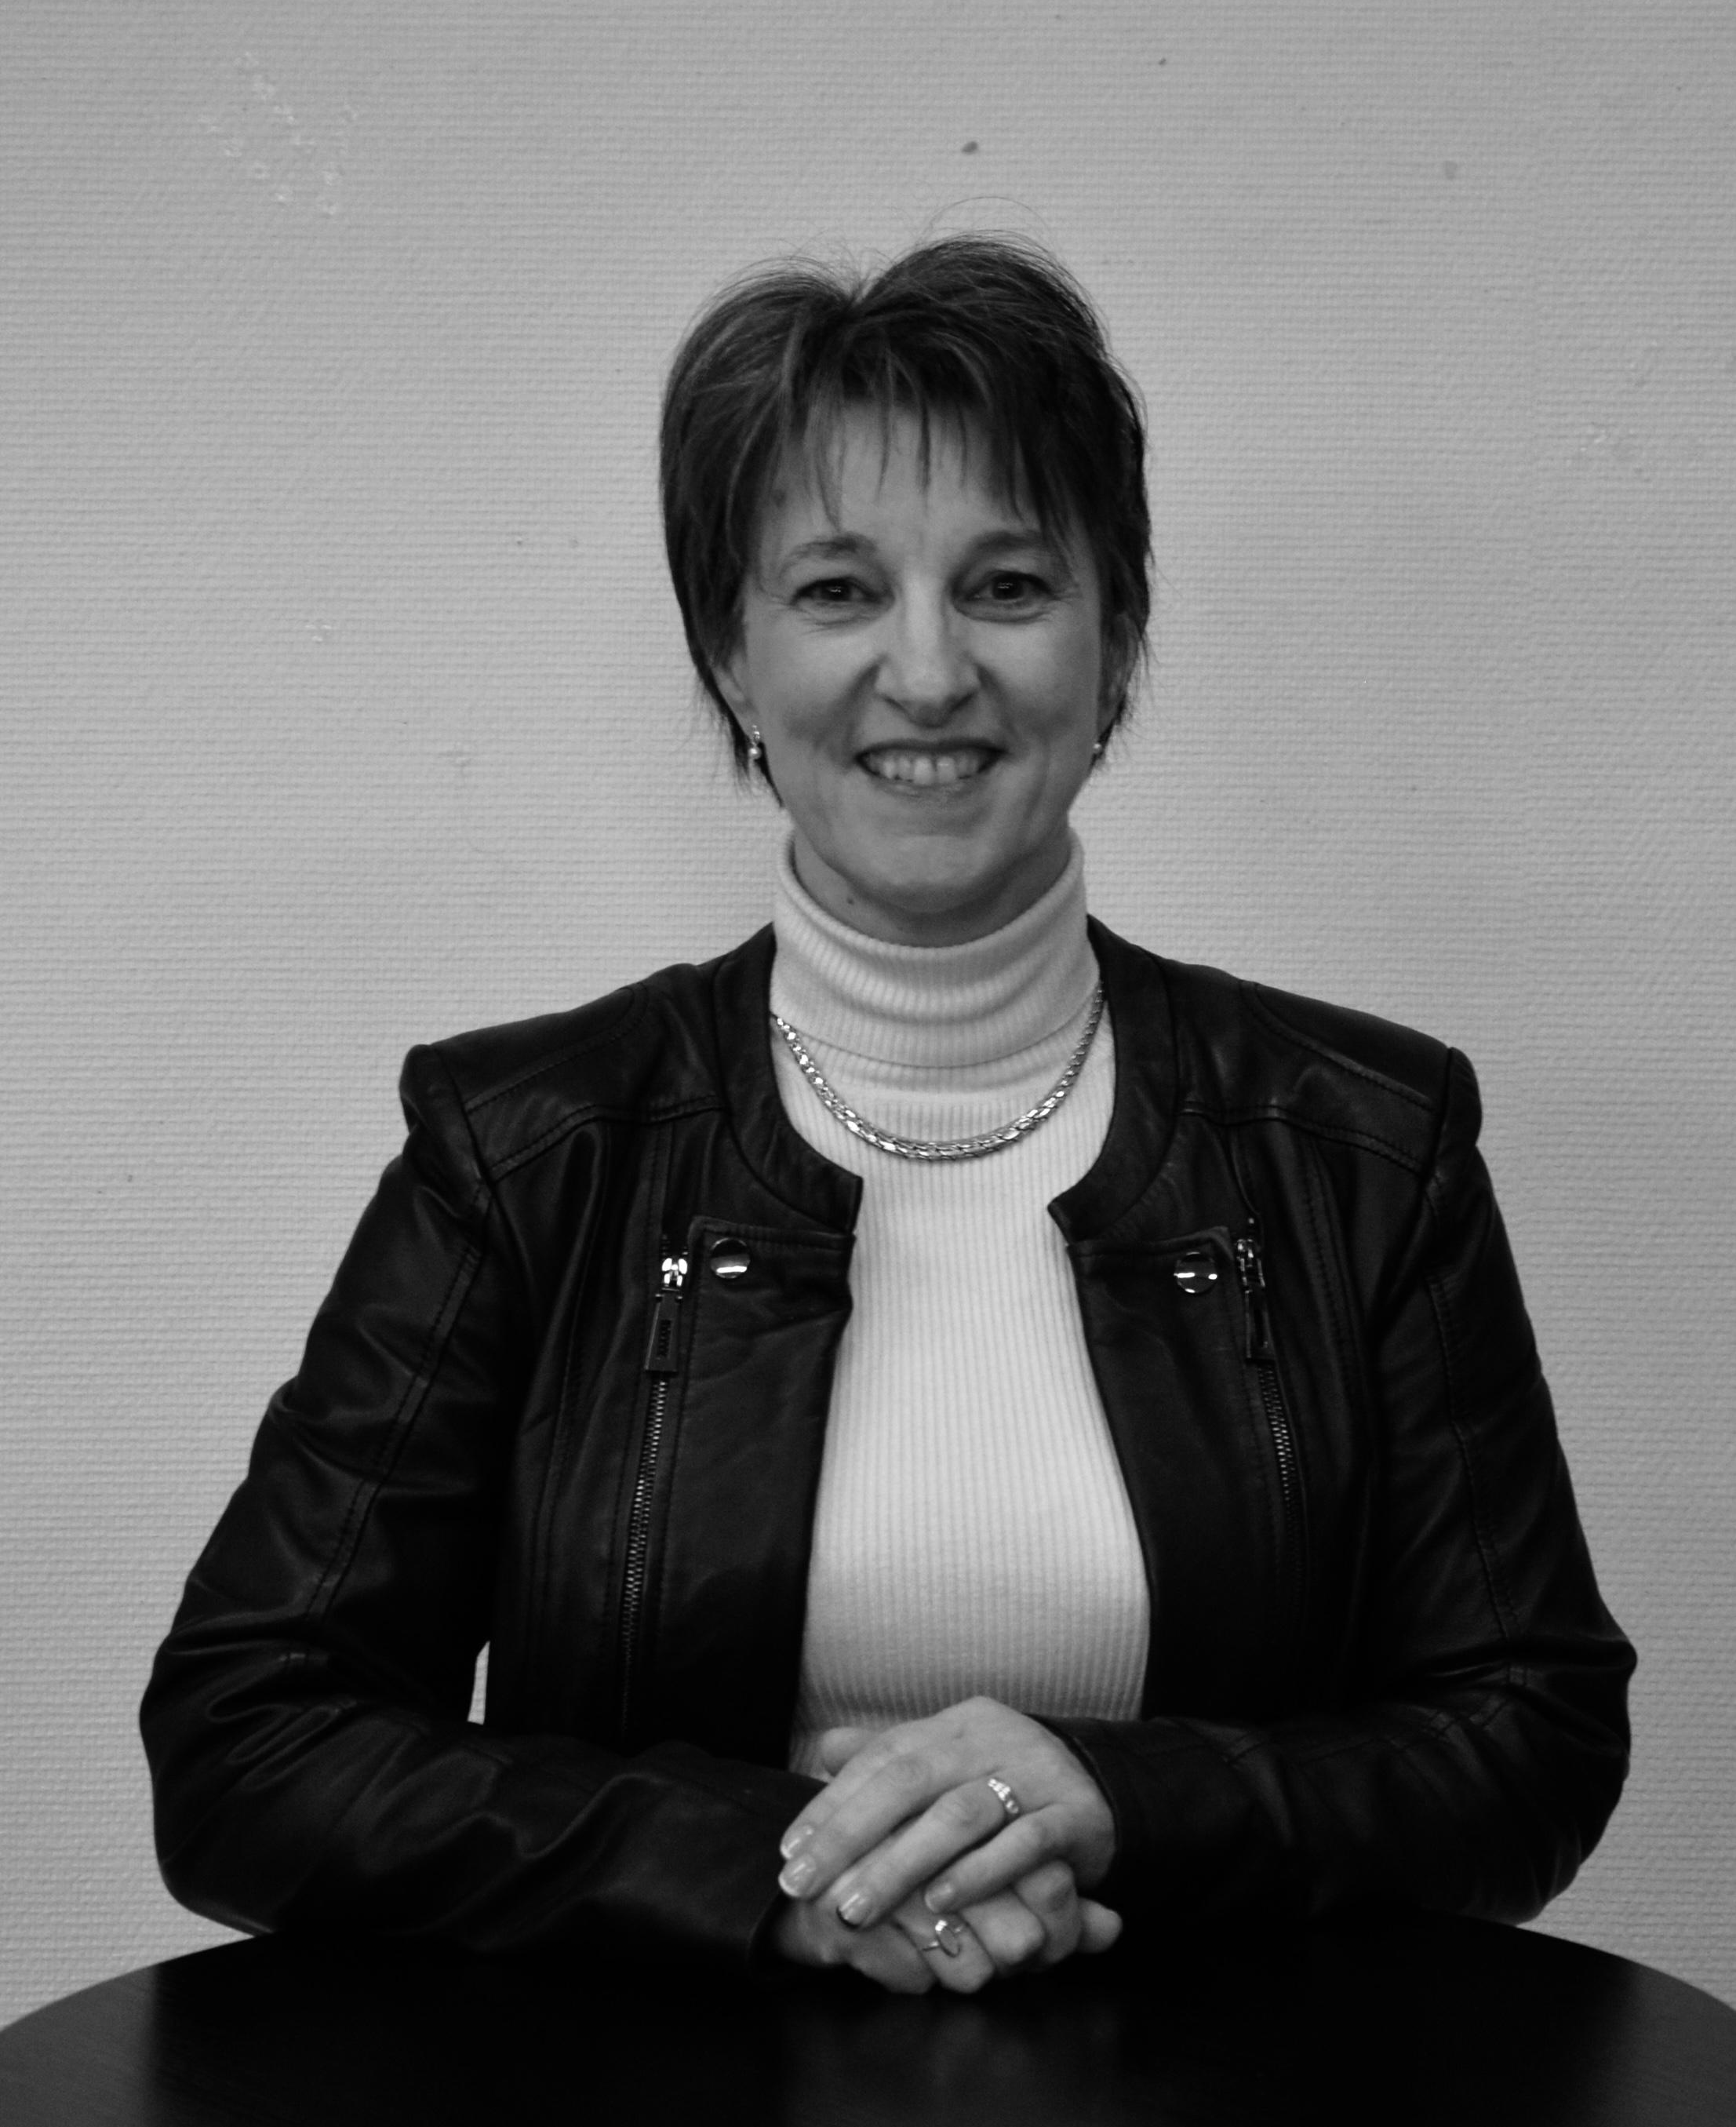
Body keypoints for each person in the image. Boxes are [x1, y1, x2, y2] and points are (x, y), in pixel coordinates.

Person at [142, 235, 1634, 1997]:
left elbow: (1526, 1730)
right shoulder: (531, 1149)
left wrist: (1117, 1797)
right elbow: (251, 1737)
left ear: (1116, 642)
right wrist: (781, 1876)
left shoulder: (1362, 1145)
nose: (927, 673)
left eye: (1006, 585)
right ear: (731, 654)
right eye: (840, 590)